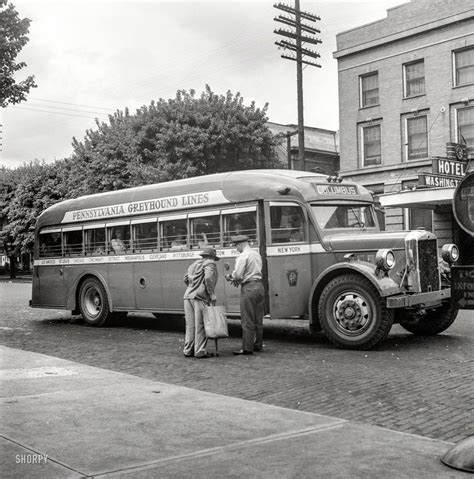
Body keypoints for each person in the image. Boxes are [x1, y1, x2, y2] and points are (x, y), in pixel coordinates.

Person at [225, 235, 264, 355]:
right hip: (259, 286)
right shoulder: (256, 254)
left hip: (248, 288)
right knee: (258, 319)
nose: (236, 249)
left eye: (236, 246)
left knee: (247, 319)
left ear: (240, 244)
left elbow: (238, 275)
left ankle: (247, 348)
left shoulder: (243, 256)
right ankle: (258, 345)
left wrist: (230, 277)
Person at [183, 246, 219, 358]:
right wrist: (211, 293)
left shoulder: (194, 264)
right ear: (211, 257)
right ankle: (199, 351)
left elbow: (185, 279)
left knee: (190, 326)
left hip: (188, 296)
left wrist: (192, 287)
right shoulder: (210, 264)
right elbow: (208, 278)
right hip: (200, 297)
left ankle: (188, 350)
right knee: (201, 325)